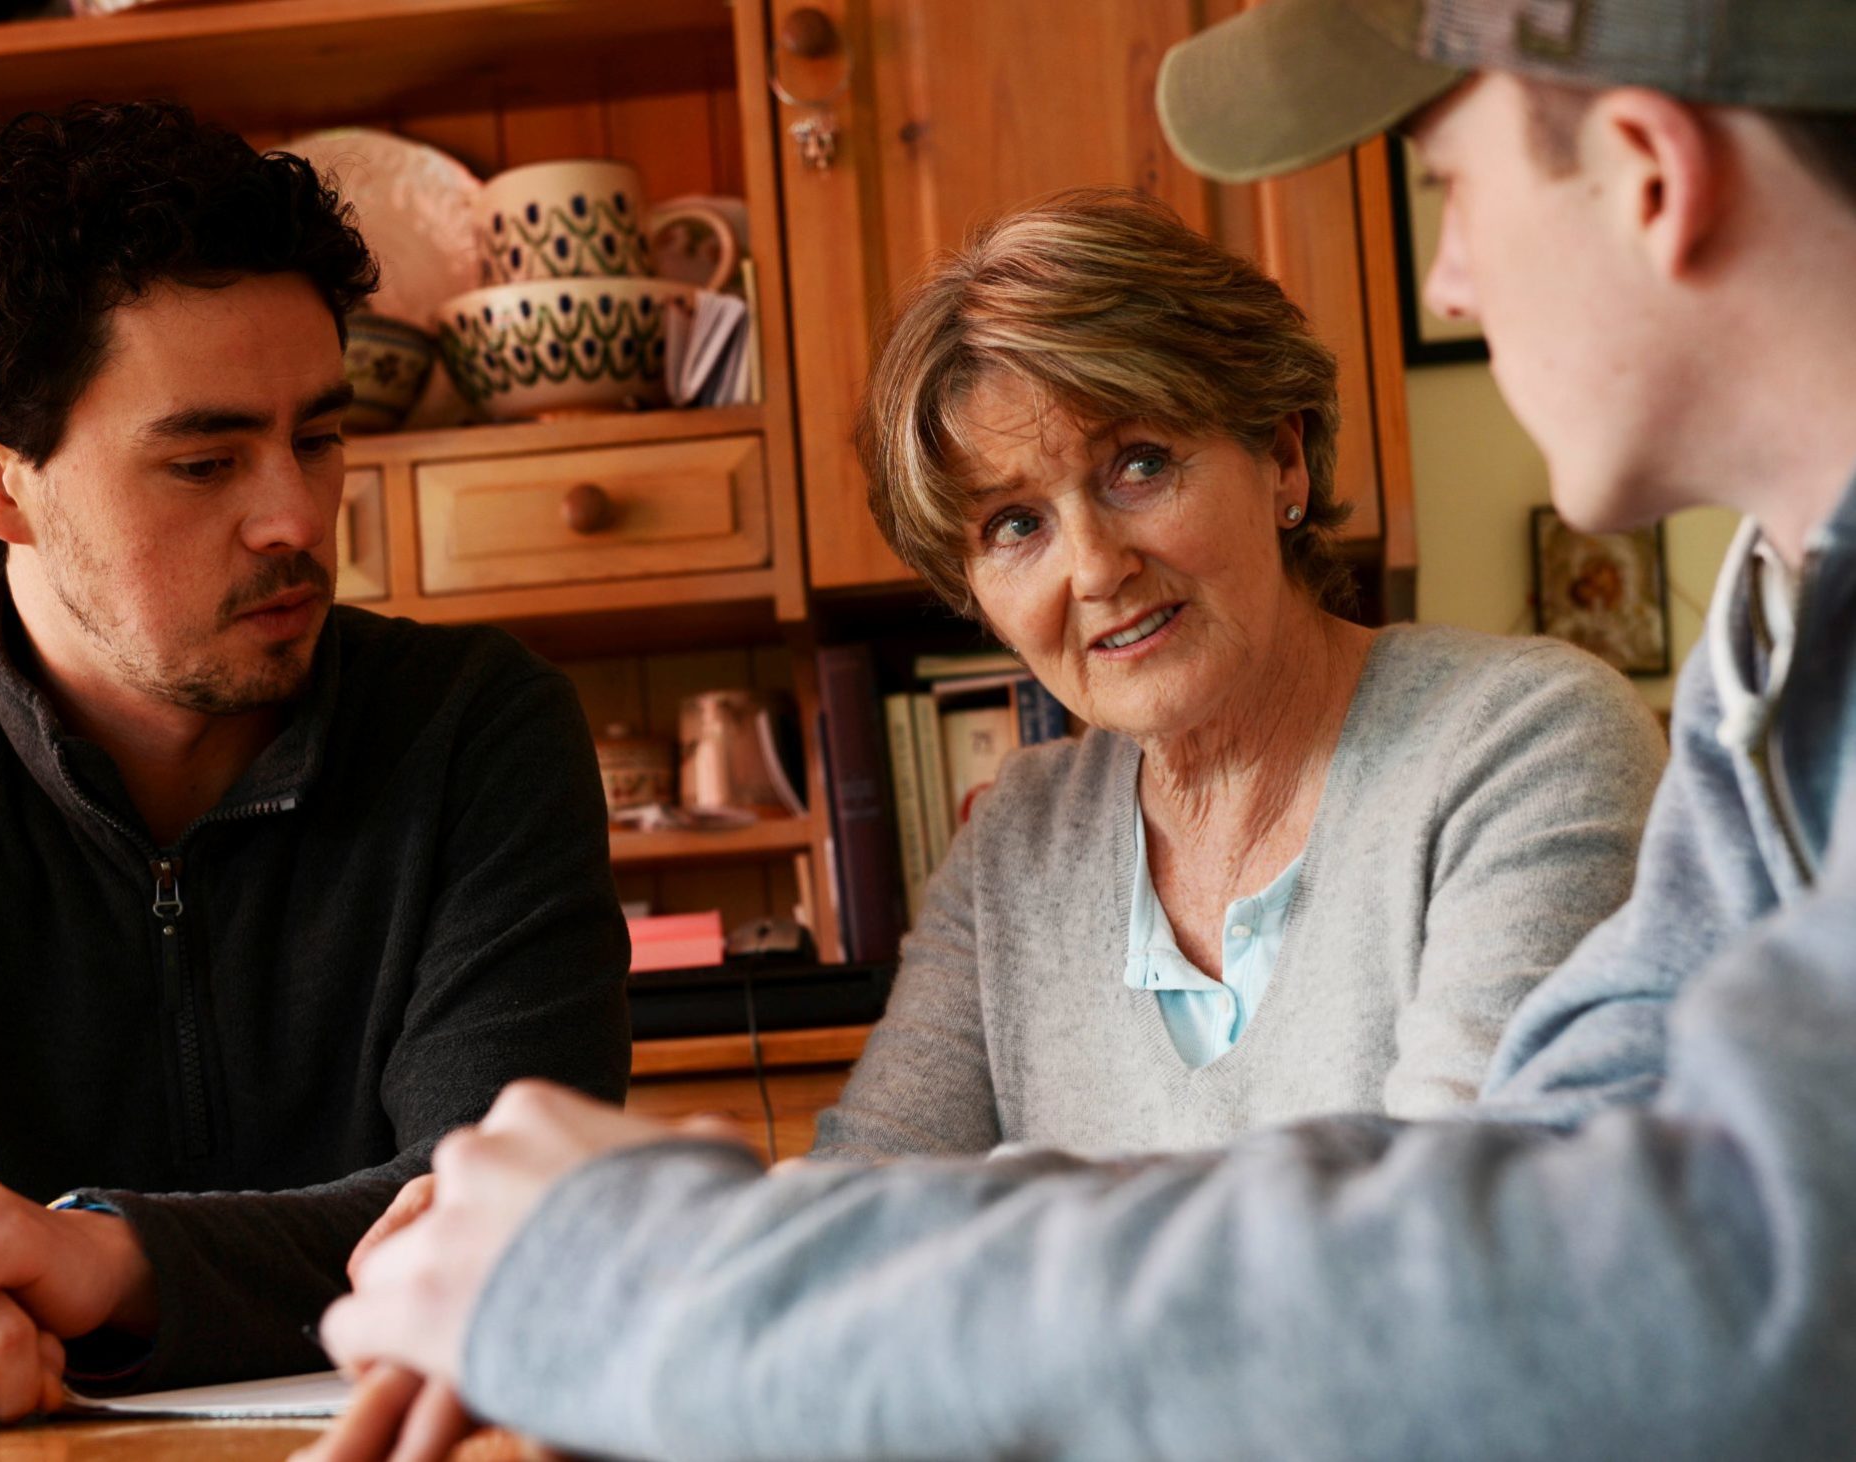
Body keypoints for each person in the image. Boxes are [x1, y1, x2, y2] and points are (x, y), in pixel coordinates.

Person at [309, 0, 1856, 1457]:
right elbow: (1558, 1213)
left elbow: (1546, 1287)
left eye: (1450, 186)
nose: (1444, 280)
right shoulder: (1772, 643)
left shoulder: (1536, 728)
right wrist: (693, 1252)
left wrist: (671, 1267)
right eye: (1010, 526)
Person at [0, 101, 630, 1444]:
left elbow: (519, 1218)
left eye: (318, 434)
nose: (295, 517)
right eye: (203, 461)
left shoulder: (481, 729)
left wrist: (93, 1260)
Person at [810, 189, 1661, 1164]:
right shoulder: (1017, 848)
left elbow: (1457, 1231)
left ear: (1283, 458)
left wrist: (1023, 1223)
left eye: (1138, 463)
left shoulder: (1529, 742)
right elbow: (856, 1217)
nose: (1092, 568)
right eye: (1015, 525)